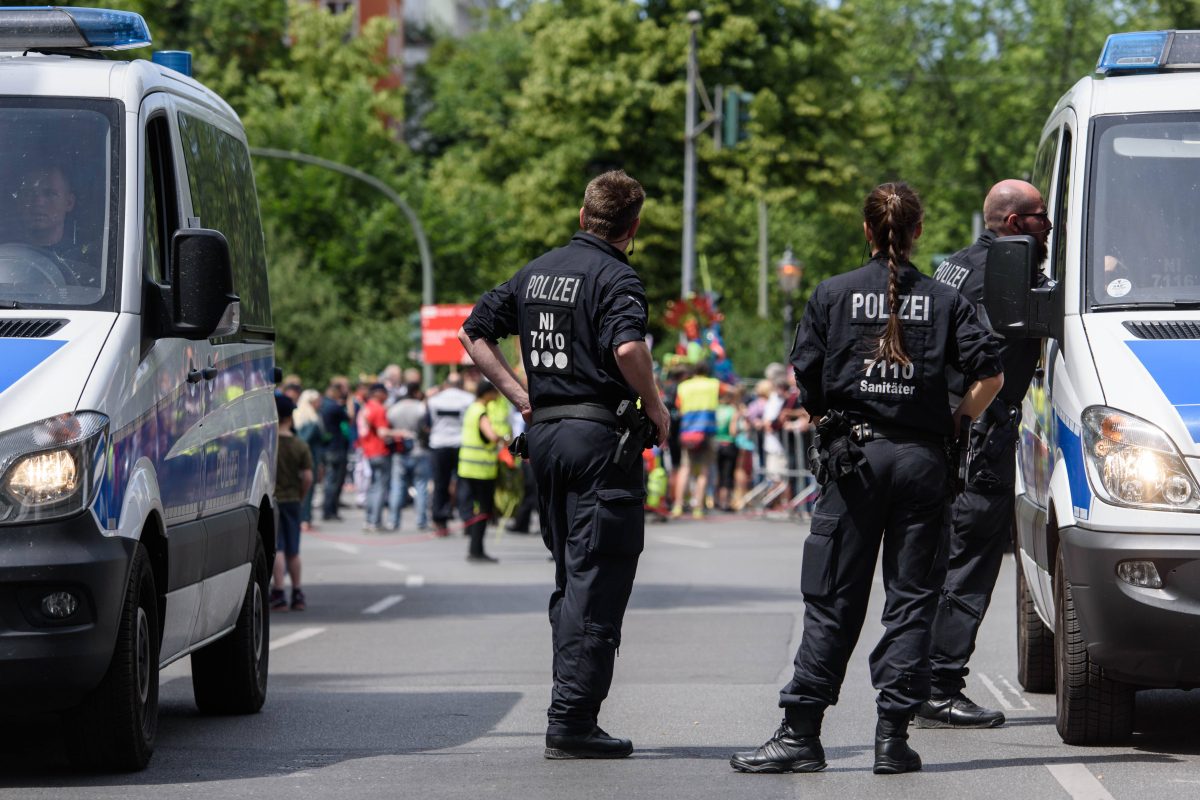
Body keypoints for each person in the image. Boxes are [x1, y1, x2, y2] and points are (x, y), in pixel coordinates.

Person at [730, 182, 1003, 776]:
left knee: (832, 599)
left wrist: (833, 419)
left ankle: (801, 733)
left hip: (855, 463)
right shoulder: (945, 300)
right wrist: (956, 419)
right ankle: (892, 738)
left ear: (866, 230)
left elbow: (807, 380)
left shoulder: (832, 294)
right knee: (911, 602)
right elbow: (992, 374)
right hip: (924, 463)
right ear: (918, 233)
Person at [458, 169, 669, 760]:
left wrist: (520, 396)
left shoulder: (537, 271)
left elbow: (473, 332)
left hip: (546, 435)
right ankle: (572, 719)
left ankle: (570, 708)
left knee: (573, 575)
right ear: (631, 228)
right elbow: (628, 348)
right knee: (596, 578)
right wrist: (654, 404)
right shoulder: (617, 277)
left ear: (583, 216)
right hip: (598, 439)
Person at [918, 179, 1052, 729]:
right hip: (977, 434)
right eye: (1043, 218)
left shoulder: (956, 263)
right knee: (969, 561)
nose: (1050, 229)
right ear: (1017, 223)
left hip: (947, 432)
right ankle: (941, 686)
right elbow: (986, 363)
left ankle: (916, 682)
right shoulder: (1007, 272)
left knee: (937, 562)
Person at [12, 163, 95, 287]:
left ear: (69, 202)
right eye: (29, 193)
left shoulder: (86, 266)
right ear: (19, 202)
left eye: (50, 194)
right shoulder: (6, 256)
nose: (38, 202)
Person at [272, 393, 314, 611]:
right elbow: (307, 476)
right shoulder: (300, 445)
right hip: (293, 500)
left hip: (274, 501)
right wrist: (301, 495)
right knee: (293, 550)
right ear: (290, 417)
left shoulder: (270, 444)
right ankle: (297, 592)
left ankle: (278, 592)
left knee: (277, 548)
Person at [456, 381, 506, 562]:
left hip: (467, 468)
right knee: (484, 510)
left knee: (475, 508)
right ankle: (476, 550)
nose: (497, 396)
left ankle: (474, 548)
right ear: (487, 393)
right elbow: (491, 436)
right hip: (481, 470)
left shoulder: (471, 408)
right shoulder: (481, 412)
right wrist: (505, 438)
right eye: (494, 392)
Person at [427, 373, 476, 537]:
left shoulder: (434, 400)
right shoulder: (469, 399)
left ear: (446, 384)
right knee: (464, 483)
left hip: (439, 444)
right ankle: (467, 519)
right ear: (461, 384)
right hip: (460, 443)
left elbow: (429, 422)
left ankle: (440, 521)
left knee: (440, 483)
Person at [672, 362, 721, 518]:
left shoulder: (683, 387)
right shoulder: (713, 384)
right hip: (707, 431)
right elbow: (733, 391)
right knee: (703, 471)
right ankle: (698, 507)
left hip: (687, 432)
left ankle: (678, 505)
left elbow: (678, 407)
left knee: (685, 468)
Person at [386, 381, 432, 531]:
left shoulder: (394, 409)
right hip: (419, 450)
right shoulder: (420, 408)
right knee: (421, 486)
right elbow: (426, 427)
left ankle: (393, 520)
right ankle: (421, 520)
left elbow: (389, 426)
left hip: (400, 451)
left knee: (397, 486)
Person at [359, 383, 395, 532]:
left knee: (373, 486)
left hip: (369, 451)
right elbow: (382, 432)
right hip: (379, 450)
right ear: (379, 393)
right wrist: (401, 433)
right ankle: (375, 521)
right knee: (380, 487)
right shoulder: (378, 409)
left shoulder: (366, 407)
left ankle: (369, 519)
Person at [319, 377, 353, 522]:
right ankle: (330, 510)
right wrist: (350, 400)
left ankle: (328, 509)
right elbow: (350, 417)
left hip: (328, 447)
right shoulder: (335, 407)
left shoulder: (324, 405)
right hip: (336, 448)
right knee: (334, 481)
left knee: (330, 480)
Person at [294, 388, 327, 532]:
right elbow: (304, 441)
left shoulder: (298, 415)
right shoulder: (312, 421)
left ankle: (304, 518)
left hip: (303, 457)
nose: (319, 404)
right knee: (308, 489)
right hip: (310, 457)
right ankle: (304, 519)